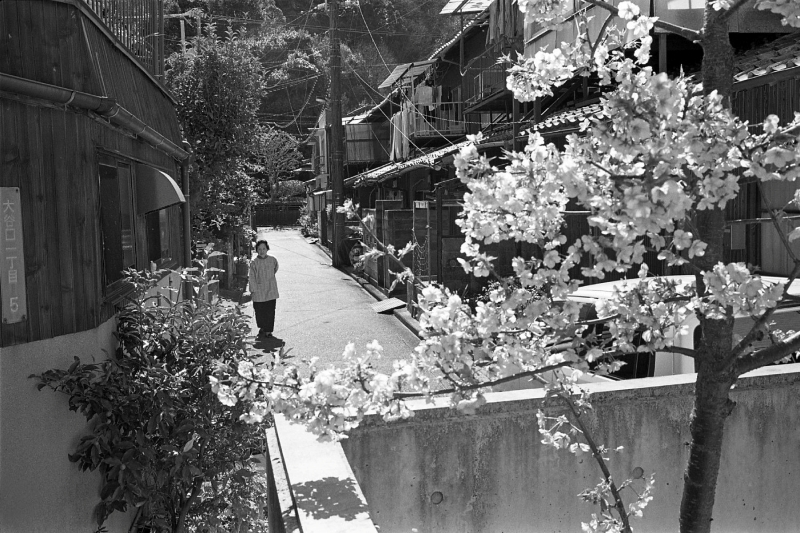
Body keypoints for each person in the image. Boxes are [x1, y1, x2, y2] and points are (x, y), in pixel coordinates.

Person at [248, 239, 279, 338]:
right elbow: (251, 276)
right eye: (259, 249)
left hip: (270, 288)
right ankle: (262, 326)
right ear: (256, 250)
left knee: (270, 310)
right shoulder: (254, 262)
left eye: (264, 249)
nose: (262, 251)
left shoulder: (272, 260)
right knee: (259, 311)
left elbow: (275, 268)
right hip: (258, 290)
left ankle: (268, 330)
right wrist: (253, 289)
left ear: (267, 249)